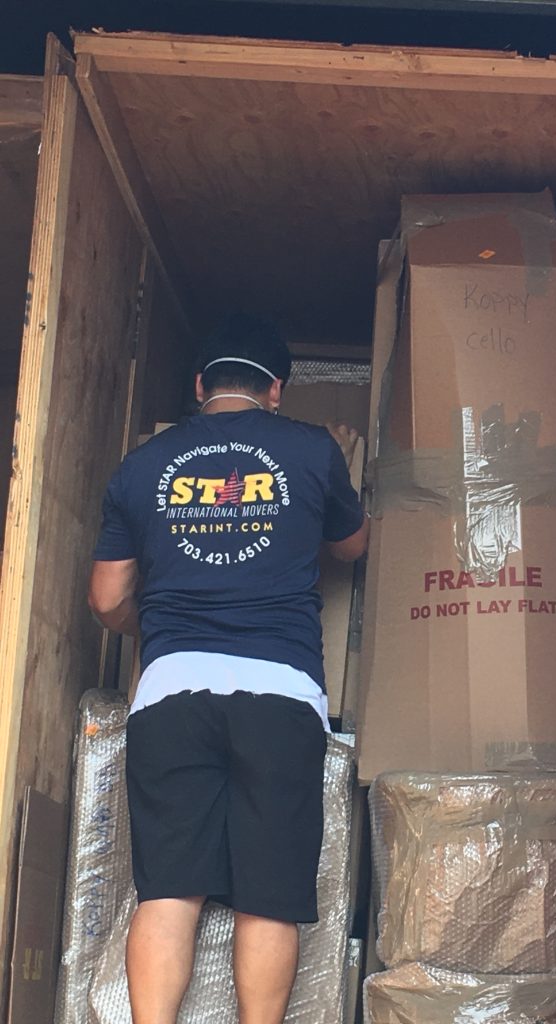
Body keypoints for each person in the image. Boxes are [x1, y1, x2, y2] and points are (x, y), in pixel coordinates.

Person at [88, 312, 368, 1024]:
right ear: (275, 390)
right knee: (268, 896)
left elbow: (108, 598)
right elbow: (352, 546)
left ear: (198, 386)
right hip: (280, 692)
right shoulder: (310, 449)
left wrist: (160, 624)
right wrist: (332, 471)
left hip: (171, 693)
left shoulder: (142, 466)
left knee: (168, 893)